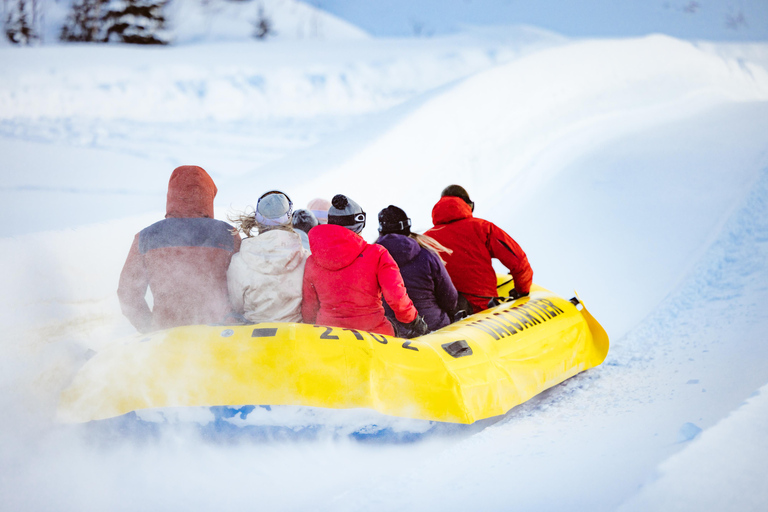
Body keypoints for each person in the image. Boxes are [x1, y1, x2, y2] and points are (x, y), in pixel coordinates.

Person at [117, 165, 241, 333]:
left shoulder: (145, 237)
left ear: (171, 195)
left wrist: (151, 329)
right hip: (220, 335)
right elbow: (244, 285)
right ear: (208, 195)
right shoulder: (228, 234)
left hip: (167, 337)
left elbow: (128, 294)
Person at [302, 194, 427, 337]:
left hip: (330, 338)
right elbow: (396, 297)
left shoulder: (313, 260)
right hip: (373, 335)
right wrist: (413, 320)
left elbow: (309, 308)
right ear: (359, 224)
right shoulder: (377, 254)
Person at [425, 185, 533, 314]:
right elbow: (518, 260)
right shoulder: (483, 228)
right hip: (485, 311)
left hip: (447, 317)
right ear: (467, 204)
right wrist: (522, 291)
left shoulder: (425, 240)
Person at [227, 191, 309, 323]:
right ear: (289, 220)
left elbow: (236, 305)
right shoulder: (305, 257)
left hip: (252, 338)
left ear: (258, 220)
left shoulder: (239, 260)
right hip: (294, 337)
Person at [376, 205, 458, 332]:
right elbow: (449, 299)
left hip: (392, 336)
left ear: (381, 230)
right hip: (433, 327)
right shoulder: (427, 255)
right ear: (407, 227)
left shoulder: (370, 259)